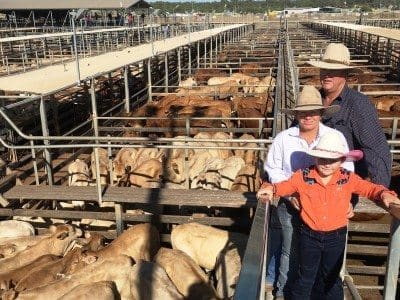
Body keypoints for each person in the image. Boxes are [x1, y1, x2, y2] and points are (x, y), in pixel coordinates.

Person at [257, 131, 399, 300]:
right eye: (322, 158)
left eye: (333, 160)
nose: (327, 164)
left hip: (336, 237)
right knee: (306, 277)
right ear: (315, 158)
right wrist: (270, 188)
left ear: (341, 160)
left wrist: (383, 193)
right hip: (310, 236)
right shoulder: (303, 176)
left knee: (331, 278)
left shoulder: (347, 178)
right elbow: (284, 186)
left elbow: (369, 188)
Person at [265, 85, 354, 299]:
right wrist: (289, 194)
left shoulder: (335, 137)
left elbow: (347, 170)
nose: (308, 116)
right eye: (303, 112)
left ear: (321, 113)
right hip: (291, 205)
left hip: (326, 208)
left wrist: (345, 199)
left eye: (313, 111)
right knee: (290, 250)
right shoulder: (283, 139)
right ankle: (284, 292)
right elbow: (273, 169)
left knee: (323, 258)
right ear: (296, 114)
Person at [308, 43, 391, 188]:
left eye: (334, 70)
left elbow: (376, 149)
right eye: (324, 69)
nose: (327, 74)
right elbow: (295, 135)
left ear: (345, 74)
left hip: (343, 186)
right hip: (310, 183)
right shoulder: (312, 100)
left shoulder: (358, 104)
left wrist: (379, 189)